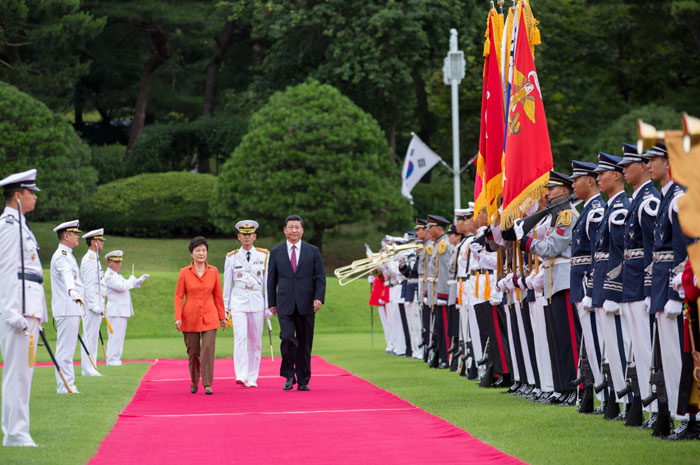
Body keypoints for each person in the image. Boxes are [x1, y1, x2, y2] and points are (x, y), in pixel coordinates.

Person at [0, 169, 46, 447]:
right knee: (17, 374)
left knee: (24, 374)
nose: (35, 197)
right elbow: (6, 271)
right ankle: (15, 434)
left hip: (29, 310)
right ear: (18, 196)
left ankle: (18, 431)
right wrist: (11, 311)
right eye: (32, 192)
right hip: (18, 312)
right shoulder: (8, 226)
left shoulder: (20, 225)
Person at [618, 143, 661, 427]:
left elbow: (653, 248)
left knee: (648, 349)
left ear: (643, 166)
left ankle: (658, 407)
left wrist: (648, 287)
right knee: (639, 348)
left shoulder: (648, 201)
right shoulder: (637, 200)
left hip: (642, 285)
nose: (623, 170)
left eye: (628, 165)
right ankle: (650, 407)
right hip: (631, 284)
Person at [267, 215, 326, 391]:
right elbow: (271, 279)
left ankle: (303, 379)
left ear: (302, 230)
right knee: (287, 338)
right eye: (290, 227)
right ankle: (288, 375)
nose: (294, 230)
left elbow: (320, 278)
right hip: (284, 303)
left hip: (306, 303)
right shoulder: (276, 252)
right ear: (284, 230)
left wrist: (319, 298)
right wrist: (271, 302)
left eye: (297, 227)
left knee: (305, 342)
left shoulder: (312, 251)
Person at [593, 152, 631, 420]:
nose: (598, 178)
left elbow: (618, 252)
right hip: (600, 285)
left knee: (622, 347)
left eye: (601, 174)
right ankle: (620, 400)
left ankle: (631, 402)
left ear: (615, 175)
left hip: (614, 287)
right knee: (612, 349)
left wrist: (612, 288)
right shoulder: (610, 207)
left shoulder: (618, 209)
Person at [570, 160, 606, 413]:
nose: (573, 184)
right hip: (580, 281)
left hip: (588, 282)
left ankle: (606, 396)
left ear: (590, 181)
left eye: (576, 180)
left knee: (597, 341)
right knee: (590, 342)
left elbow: (598, 253)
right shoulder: (586, 210)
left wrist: (591, 287)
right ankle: (599, 394)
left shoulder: (595, 211)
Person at [174, 236, 226, 395]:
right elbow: (178, 296)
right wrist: (178, 317)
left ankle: (208, 384)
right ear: (191, 253)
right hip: (189, 317)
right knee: (193, 352)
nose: (201, 253)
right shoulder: (184, 272)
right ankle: (194, 380)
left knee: (208, 350)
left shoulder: (213, 271)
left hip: (210, 317)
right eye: (197, 250)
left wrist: (222, 316)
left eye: (204, 250)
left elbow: (217, 295)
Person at [223, 220, 270, 388]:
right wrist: (225, 308)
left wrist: (268, 306)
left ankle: (252, 376)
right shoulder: (231, 257)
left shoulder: (264, 255)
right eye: (244, 234)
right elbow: (227, 285)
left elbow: (267, 283)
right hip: (238, 301)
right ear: (239, 236)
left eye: (250, 234)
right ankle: (241, 374)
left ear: (255, 236)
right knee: (241, 338)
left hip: (257, 300)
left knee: (255, 340)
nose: (247, 237)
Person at [50, 219, 85, 394]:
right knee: (65, 350)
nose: (78, 237)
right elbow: (67, 276)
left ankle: (67, 384)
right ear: (66, 236)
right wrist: (72, 292)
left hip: (70, 308)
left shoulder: (67, 254)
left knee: (68, 349)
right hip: (67, 307)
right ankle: (65, 386)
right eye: (75, 234)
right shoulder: (62, 256)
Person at [104, 250, 148, 366]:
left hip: (121, 310)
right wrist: (131, 280)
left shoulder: (117, 275)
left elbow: (127, 284)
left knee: (119, 337)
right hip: (115, 311)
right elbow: (122, 286)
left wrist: (137, 281)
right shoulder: (109, 276)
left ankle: (116, 358)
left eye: (120, 262)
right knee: (115, 337)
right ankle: (112, 359)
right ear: (109, 262)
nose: (119, 264)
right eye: (116, 262)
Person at [80, 228, 106, 376]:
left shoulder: (94, 258)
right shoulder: (89, 260)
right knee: (89, 336)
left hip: (96, 304)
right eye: (101, 241)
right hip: (92, 305)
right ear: (94, 242)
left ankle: (92, 367)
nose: (102, 243)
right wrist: (93, 306)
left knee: (93, 336)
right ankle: (88, 369)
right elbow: (89, 285)